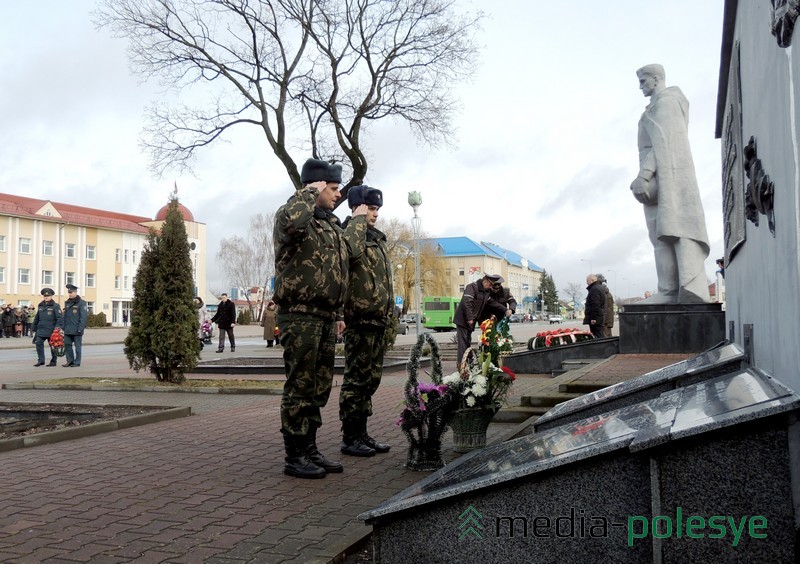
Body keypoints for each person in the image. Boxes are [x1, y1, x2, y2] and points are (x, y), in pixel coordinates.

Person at [273, 157, 367, 479]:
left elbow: (346, 259)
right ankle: (294, 454)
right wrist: (308, 194)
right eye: (332, 188)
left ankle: (309, 447)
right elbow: (292, 224)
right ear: (315, 187)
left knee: (319, 387)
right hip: (299, 315)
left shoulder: (326, 224)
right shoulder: (293, 215)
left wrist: (339, 312)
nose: (338, 194)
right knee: (301, 385)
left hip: (325, 316)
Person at [630, 64, 710, 304]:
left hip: (669, 177)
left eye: (644, 81)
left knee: (673, 230)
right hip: (658, 178)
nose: (640, 86)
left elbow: (664, 144)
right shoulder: (653, 107)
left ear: (656, 79)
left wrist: (644, 174)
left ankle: (678, 289)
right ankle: (667, 290)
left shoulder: (667, 103)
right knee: (659, 235)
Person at [339, 185, 393, 457]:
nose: (375, 214)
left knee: (370, 379)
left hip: (376, 320)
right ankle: (350, 437)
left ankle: (362, 433)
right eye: (371, 208)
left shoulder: (377, 238)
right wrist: (358, 221)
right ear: (358, 208)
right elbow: (349, 254)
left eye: (376, 209)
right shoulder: (349, 233)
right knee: (356, 380)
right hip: (358, 319)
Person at [453, 273, 510, 368]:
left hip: (470, 322)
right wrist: (470, 318)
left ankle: (468, 363)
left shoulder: (485, 292)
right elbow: (467, 302)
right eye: (491, 284)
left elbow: (493, 303)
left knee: (467, 342)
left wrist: (505, 310)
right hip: (463, 320)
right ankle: (461, 365)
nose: (491, 287)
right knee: (463, 344)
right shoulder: (472, 287)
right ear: (486, 281)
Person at [31, 288, 62, 367]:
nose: (46, 297)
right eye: (45, 296)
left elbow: (59, 318)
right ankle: (41, 360)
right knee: (38, 343)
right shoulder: (41, 305)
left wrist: (57, 328)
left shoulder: (55, 306)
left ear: (51, 296)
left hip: (51, 330)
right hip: (41, 329)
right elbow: (37, 317)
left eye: (48, 296)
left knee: (52, 346)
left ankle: (53, 361)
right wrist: (33, 327)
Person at [61, 284, 88, 367]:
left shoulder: (81, 303)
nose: (70, 294)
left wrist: (80, 328)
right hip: (68, 329)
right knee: (67, 345)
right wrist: (63, 328)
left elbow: (83, 317)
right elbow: (65, 317)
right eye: (69, 292)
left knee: (77, 347)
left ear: (75, 292)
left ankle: (77, 362)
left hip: (77, 329)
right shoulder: (67, 303)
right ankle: (70, 360)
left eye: (71, 292)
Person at [583, 274, 606, 338]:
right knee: (600, 334)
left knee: (598, 335)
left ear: (592, 280)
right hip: (599, 316)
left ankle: (602, 347)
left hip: (595, 318)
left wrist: (593, 318)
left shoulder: (594, 289)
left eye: (587, 281)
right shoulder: (599, 287)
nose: (586, 282)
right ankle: (603, 347)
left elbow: (595, 305)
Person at [596, 273, 615, 337]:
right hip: (607, 321)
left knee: (605, 340)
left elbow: (606, 308)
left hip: (604, 321)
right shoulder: (607, 292)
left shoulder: (603, 293)